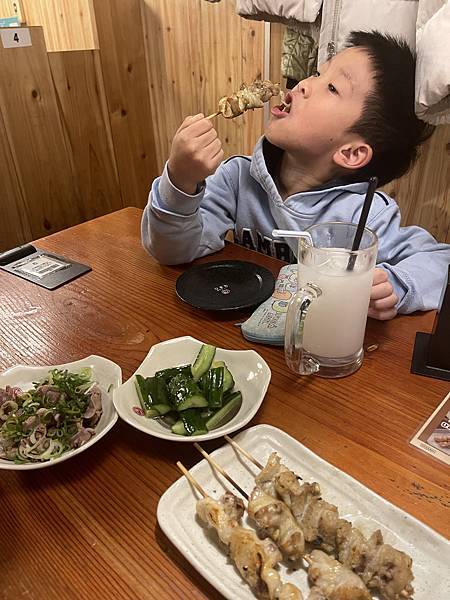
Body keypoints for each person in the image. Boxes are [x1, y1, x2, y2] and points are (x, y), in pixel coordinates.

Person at [142, 31, 450, 320]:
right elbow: (172, 253)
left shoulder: (366, 217)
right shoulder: (238, 178)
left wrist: (397, 284)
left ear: (352, 153)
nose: (303, 84)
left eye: (332, 88)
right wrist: (180, 182)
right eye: (318, 73)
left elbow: (440, 262)